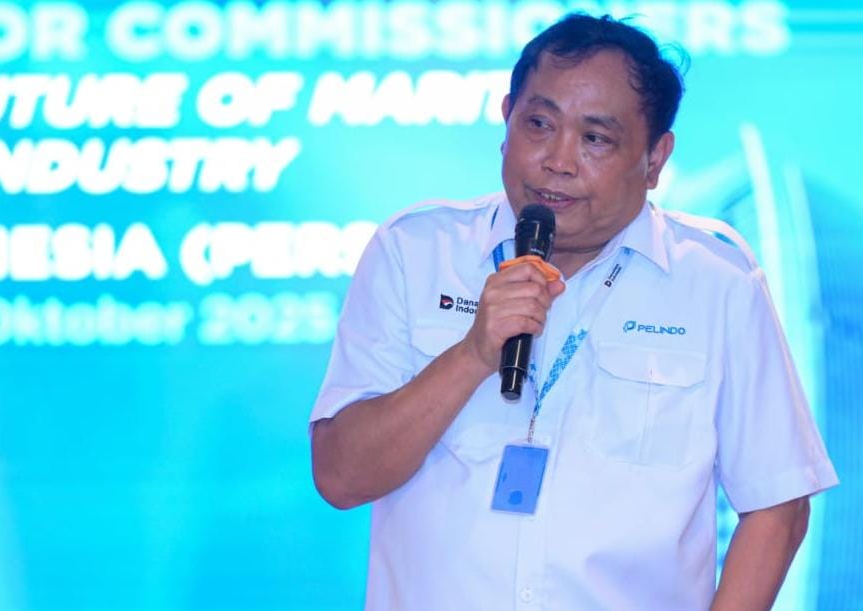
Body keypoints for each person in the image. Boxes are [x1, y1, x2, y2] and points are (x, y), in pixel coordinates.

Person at [309, 13, 838, 611]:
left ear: (655, 158)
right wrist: (472, 354)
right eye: (539, 124)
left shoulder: (716, 280)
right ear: (506, 119)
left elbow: (778, 504)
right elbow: (341, 477)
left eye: (595, 139)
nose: (558, 161)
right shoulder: (414, 251)